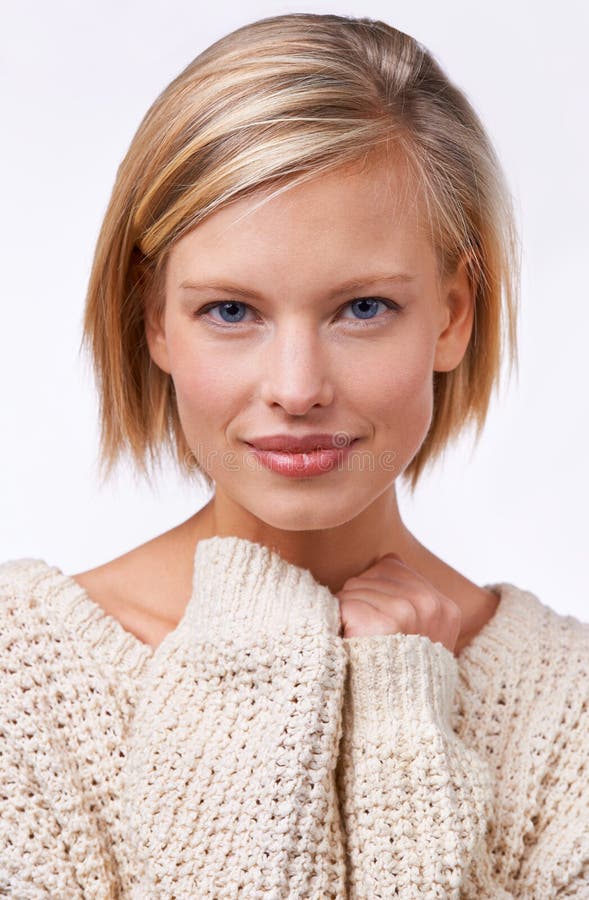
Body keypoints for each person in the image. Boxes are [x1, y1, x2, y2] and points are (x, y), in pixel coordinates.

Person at [1, 11, 587, 898]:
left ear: (453, 314)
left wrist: (402, 735)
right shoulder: (22, 681)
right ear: (154, 318)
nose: (297, 386)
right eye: (230, 312)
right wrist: (253, 669)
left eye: (362, 308)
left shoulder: (567, 714)